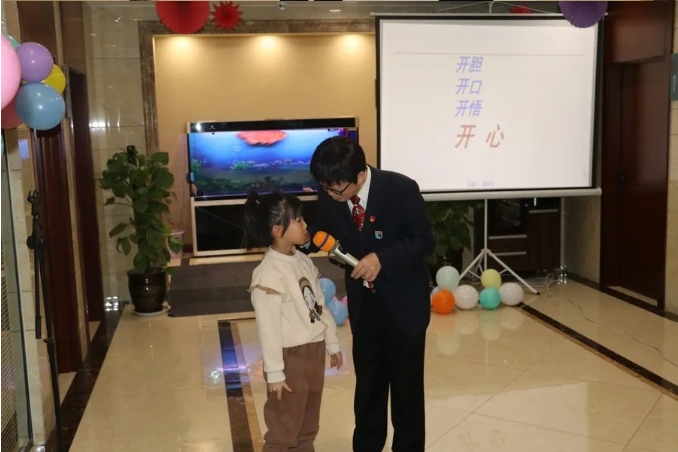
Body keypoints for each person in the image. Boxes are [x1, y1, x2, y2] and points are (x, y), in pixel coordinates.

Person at [306, 137, 435, 452]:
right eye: (325, 188)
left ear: (360, 175)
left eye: (338, 190)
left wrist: (381, 260)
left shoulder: (400, 189)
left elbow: (424, 241)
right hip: (365, 307)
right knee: (368, 389)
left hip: (404, 305)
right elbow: (324, 233)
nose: (332, 195)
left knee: (406, 391)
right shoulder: (330, 192)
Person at [243, 190, 344, 452]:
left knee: (308, 421)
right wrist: (275, 372)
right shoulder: (268, 274)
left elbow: (319, 305)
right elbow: (268, 329)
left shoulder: (302, 261)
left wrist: (332, 343)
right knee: (284, 426)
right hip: (289, 357)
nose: (305, 225)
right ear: (277, 230)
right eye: (298, 220)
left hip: (314, 350)